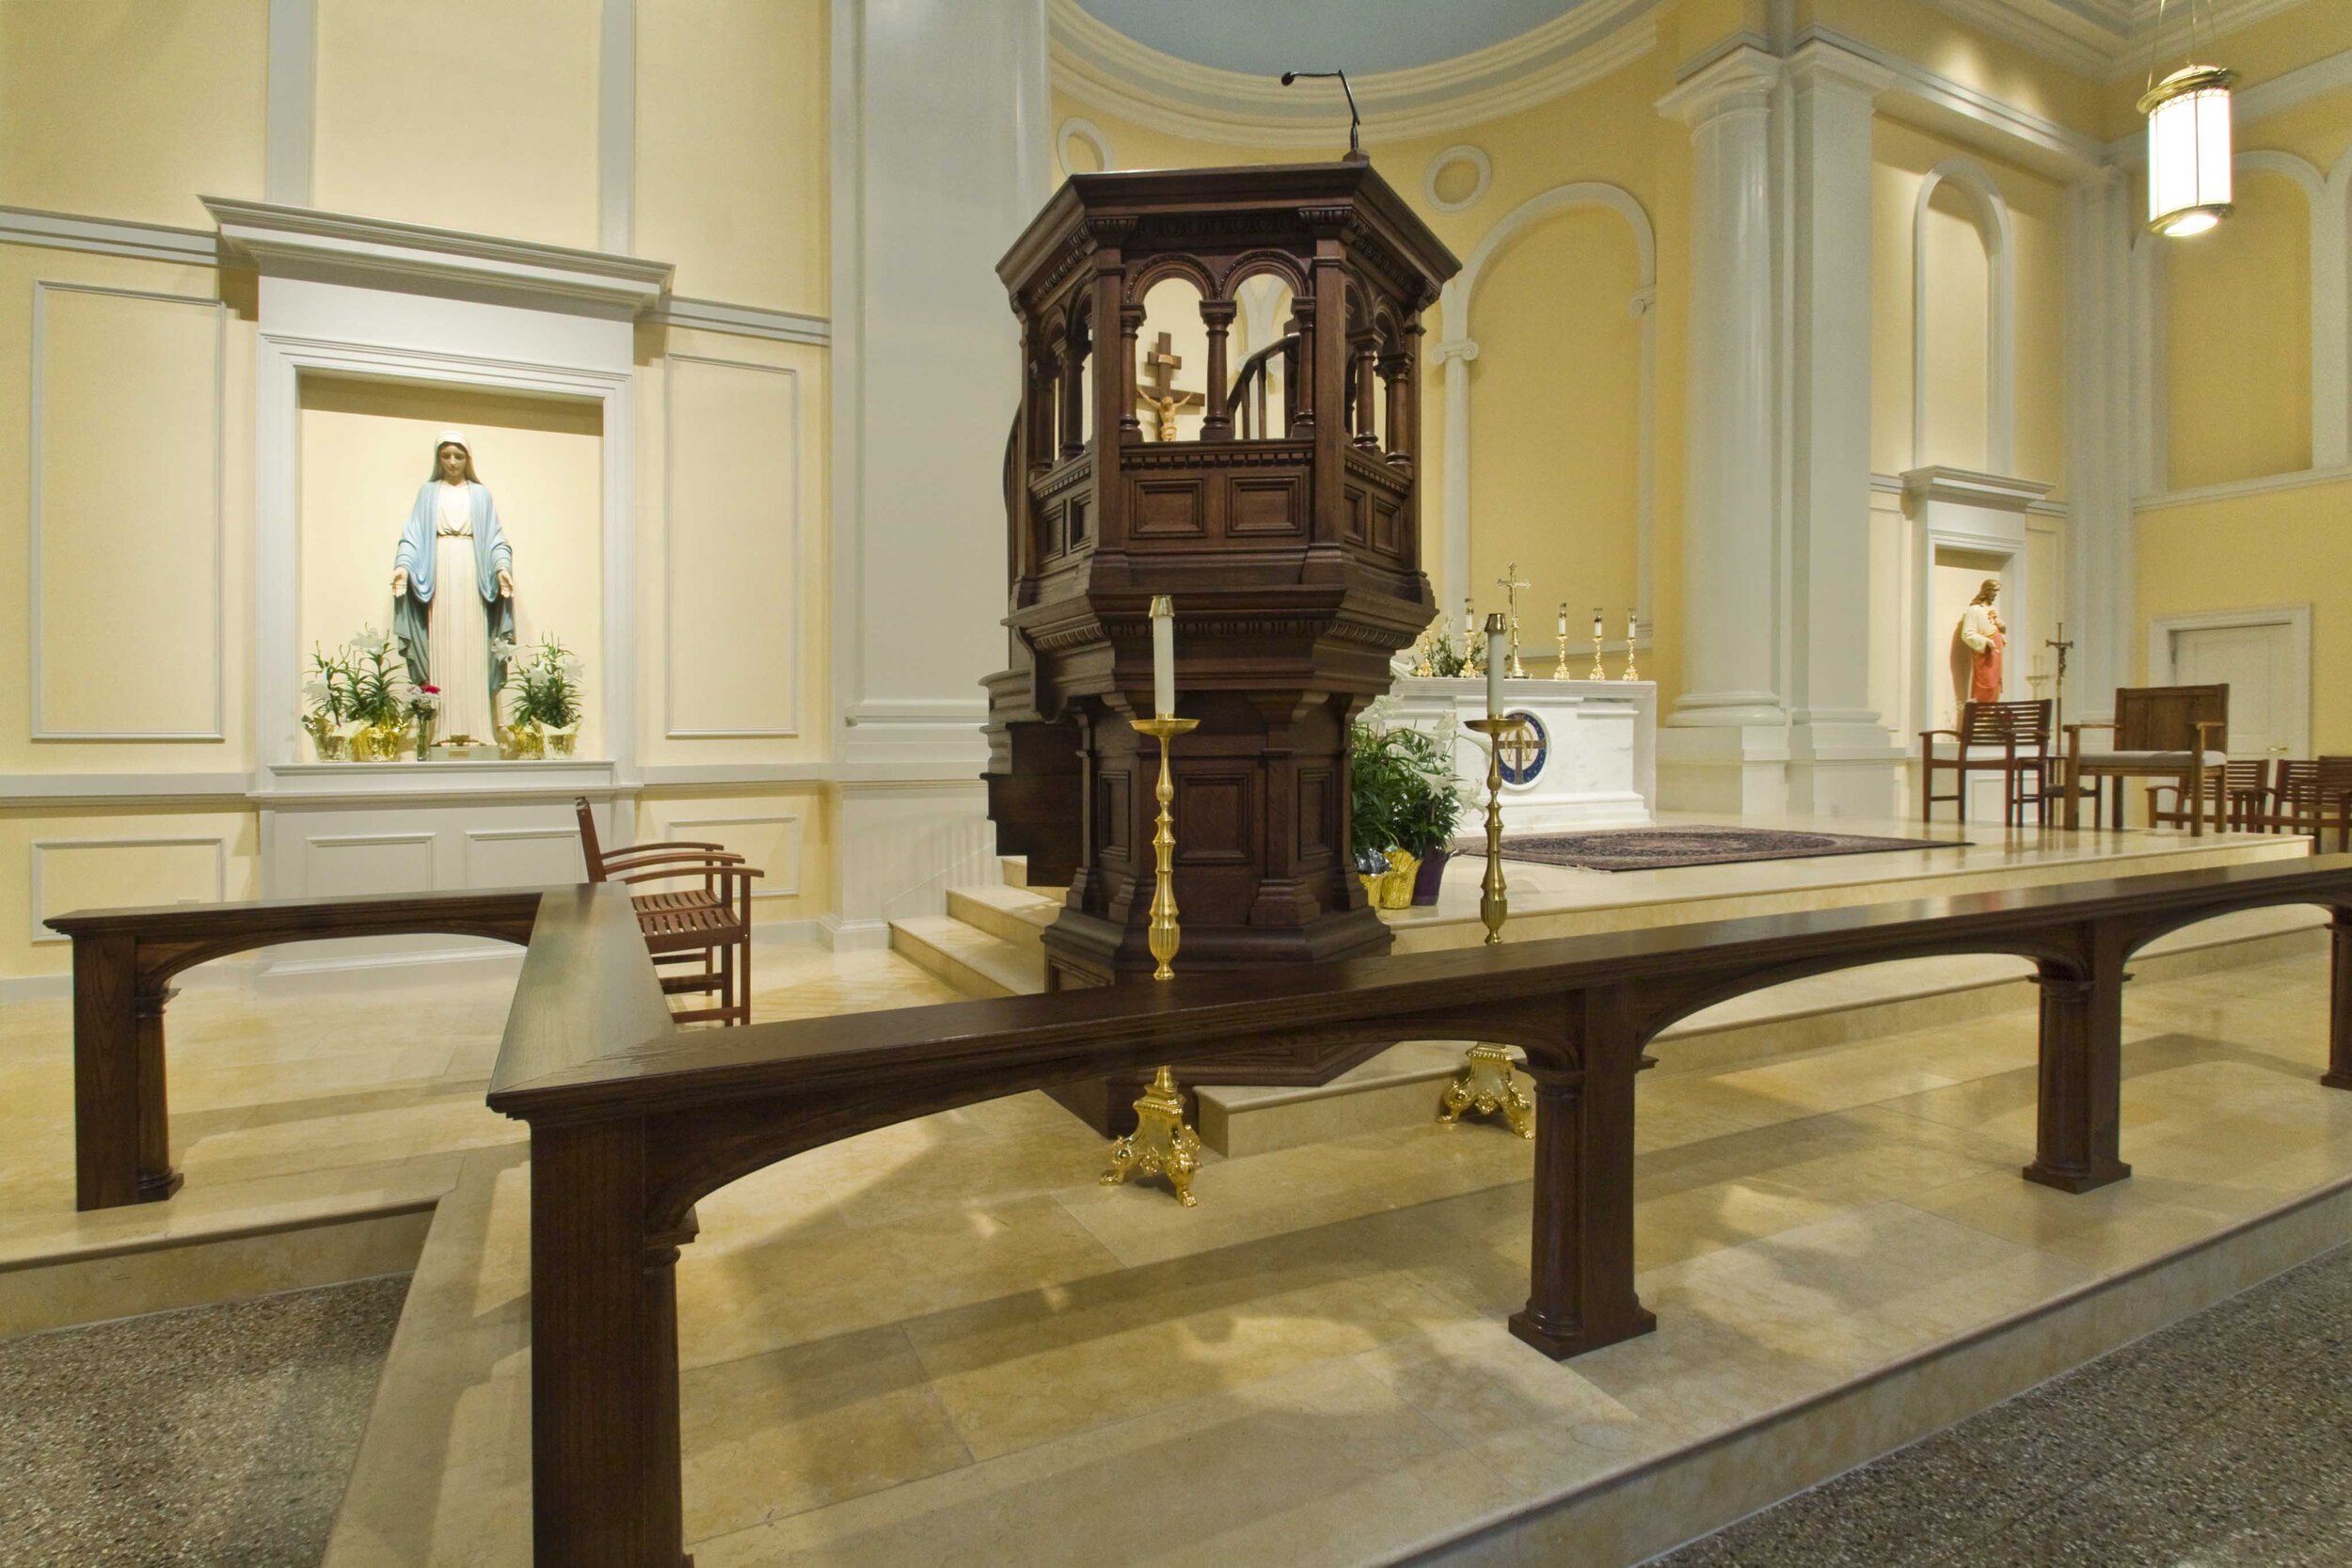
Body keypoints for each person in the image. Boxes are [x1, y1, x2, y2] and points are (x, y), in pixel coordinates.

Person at [391, 432, 515, 744]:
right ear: (438, 459)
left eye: (458, 456)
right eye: (446, 455)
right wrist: (403, 567)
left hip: (473, 572)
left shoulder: (481, 495)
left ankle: (478, 729)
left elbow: (496, 539)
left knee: (473, 645)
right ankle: (441, 730)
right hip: (440, 572)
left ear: (468, 459)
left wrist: (502, 569)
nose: (452, 462)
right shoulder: (428, 493)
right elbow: (412, 537)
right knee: (443, 643)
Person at [1956, 578, 2005, 706]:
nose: (1995, 594)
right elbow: (1967, 633)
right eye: (1994, 590)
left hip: (1996, 652)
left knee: (1995, 682)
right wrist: (1986, 641)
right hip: (1985, 654)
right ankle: (1983, 713)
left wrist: (2001, 628)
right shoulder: (1974, 610)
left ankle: (1992, 712)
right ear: (1987, 590)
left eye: (1997, 591)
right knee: (1986, 682)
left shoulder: (1990, 609)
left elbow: (1995, 626)